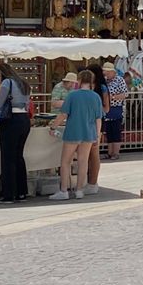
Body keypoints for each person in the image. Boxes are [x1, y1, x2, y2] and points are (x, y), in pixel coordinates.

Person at [48, 69, 103, 201]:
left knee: (66, 161)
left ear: (79, 80)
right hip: (89, 132)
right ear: (91, 82)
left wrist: (53, 126)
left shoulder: (72, 96)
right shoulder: (96, 97)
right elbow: (98, 118)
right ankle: (79, 190)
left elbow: (63, 114)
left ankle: (64, 190)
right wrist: (97, 135)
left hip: (73, 131)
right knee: (83, 162)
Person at [0, 62, 31, 204]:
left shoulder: (7, 83)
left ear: (1, 73)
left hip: (11, 121)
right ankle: (21, 192)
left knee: (8, 158)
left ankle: (8, 194)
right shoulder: (24, 83)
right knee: (18, 156)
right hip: (24, 119)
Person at [84, 63, 110, 196]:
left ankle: (93, 182)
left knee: (94, 151)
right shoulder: (89, 88)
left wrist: (95, 111)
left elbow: (107, 107)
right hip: (88, 119)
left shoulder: (102, 88)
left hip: (96, 120)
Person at [102, 62, 128, 160]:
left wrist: (112, 97)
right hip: (106, 109)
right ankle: (109, 152)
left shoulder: (119, 80)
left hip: (116, 108)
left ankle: (116, 152)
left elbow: (125, 94)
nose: (106, 74)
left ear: (112, 72)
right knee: (108, 131)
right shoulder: (104, 81)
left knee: (116, 131)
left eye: (107, 72)